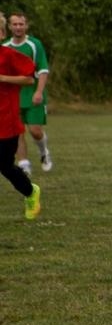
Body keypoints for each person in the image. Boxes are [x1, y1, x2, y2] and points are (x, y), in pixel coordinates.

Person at [5, 12, 51, 174]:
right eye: (15, 24)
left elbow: (43, 70)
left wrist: (39, 92)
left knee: (35, 130)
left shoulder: (34, 44)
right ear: (9, 26)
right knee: (17, 131)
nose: (18, 27)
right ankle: (24, 163)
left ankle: (44, 152)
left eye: (21, 24)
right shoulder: (5, 47)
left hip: (32, 93)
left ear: (26, 26)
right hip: (12, 96)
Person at [1, 43, 41, 219]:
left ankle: (30, 191)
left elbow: (30, 79)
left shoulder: (9, 55)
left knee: (4, 166)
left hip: (6, 122)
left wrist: (3, 78)